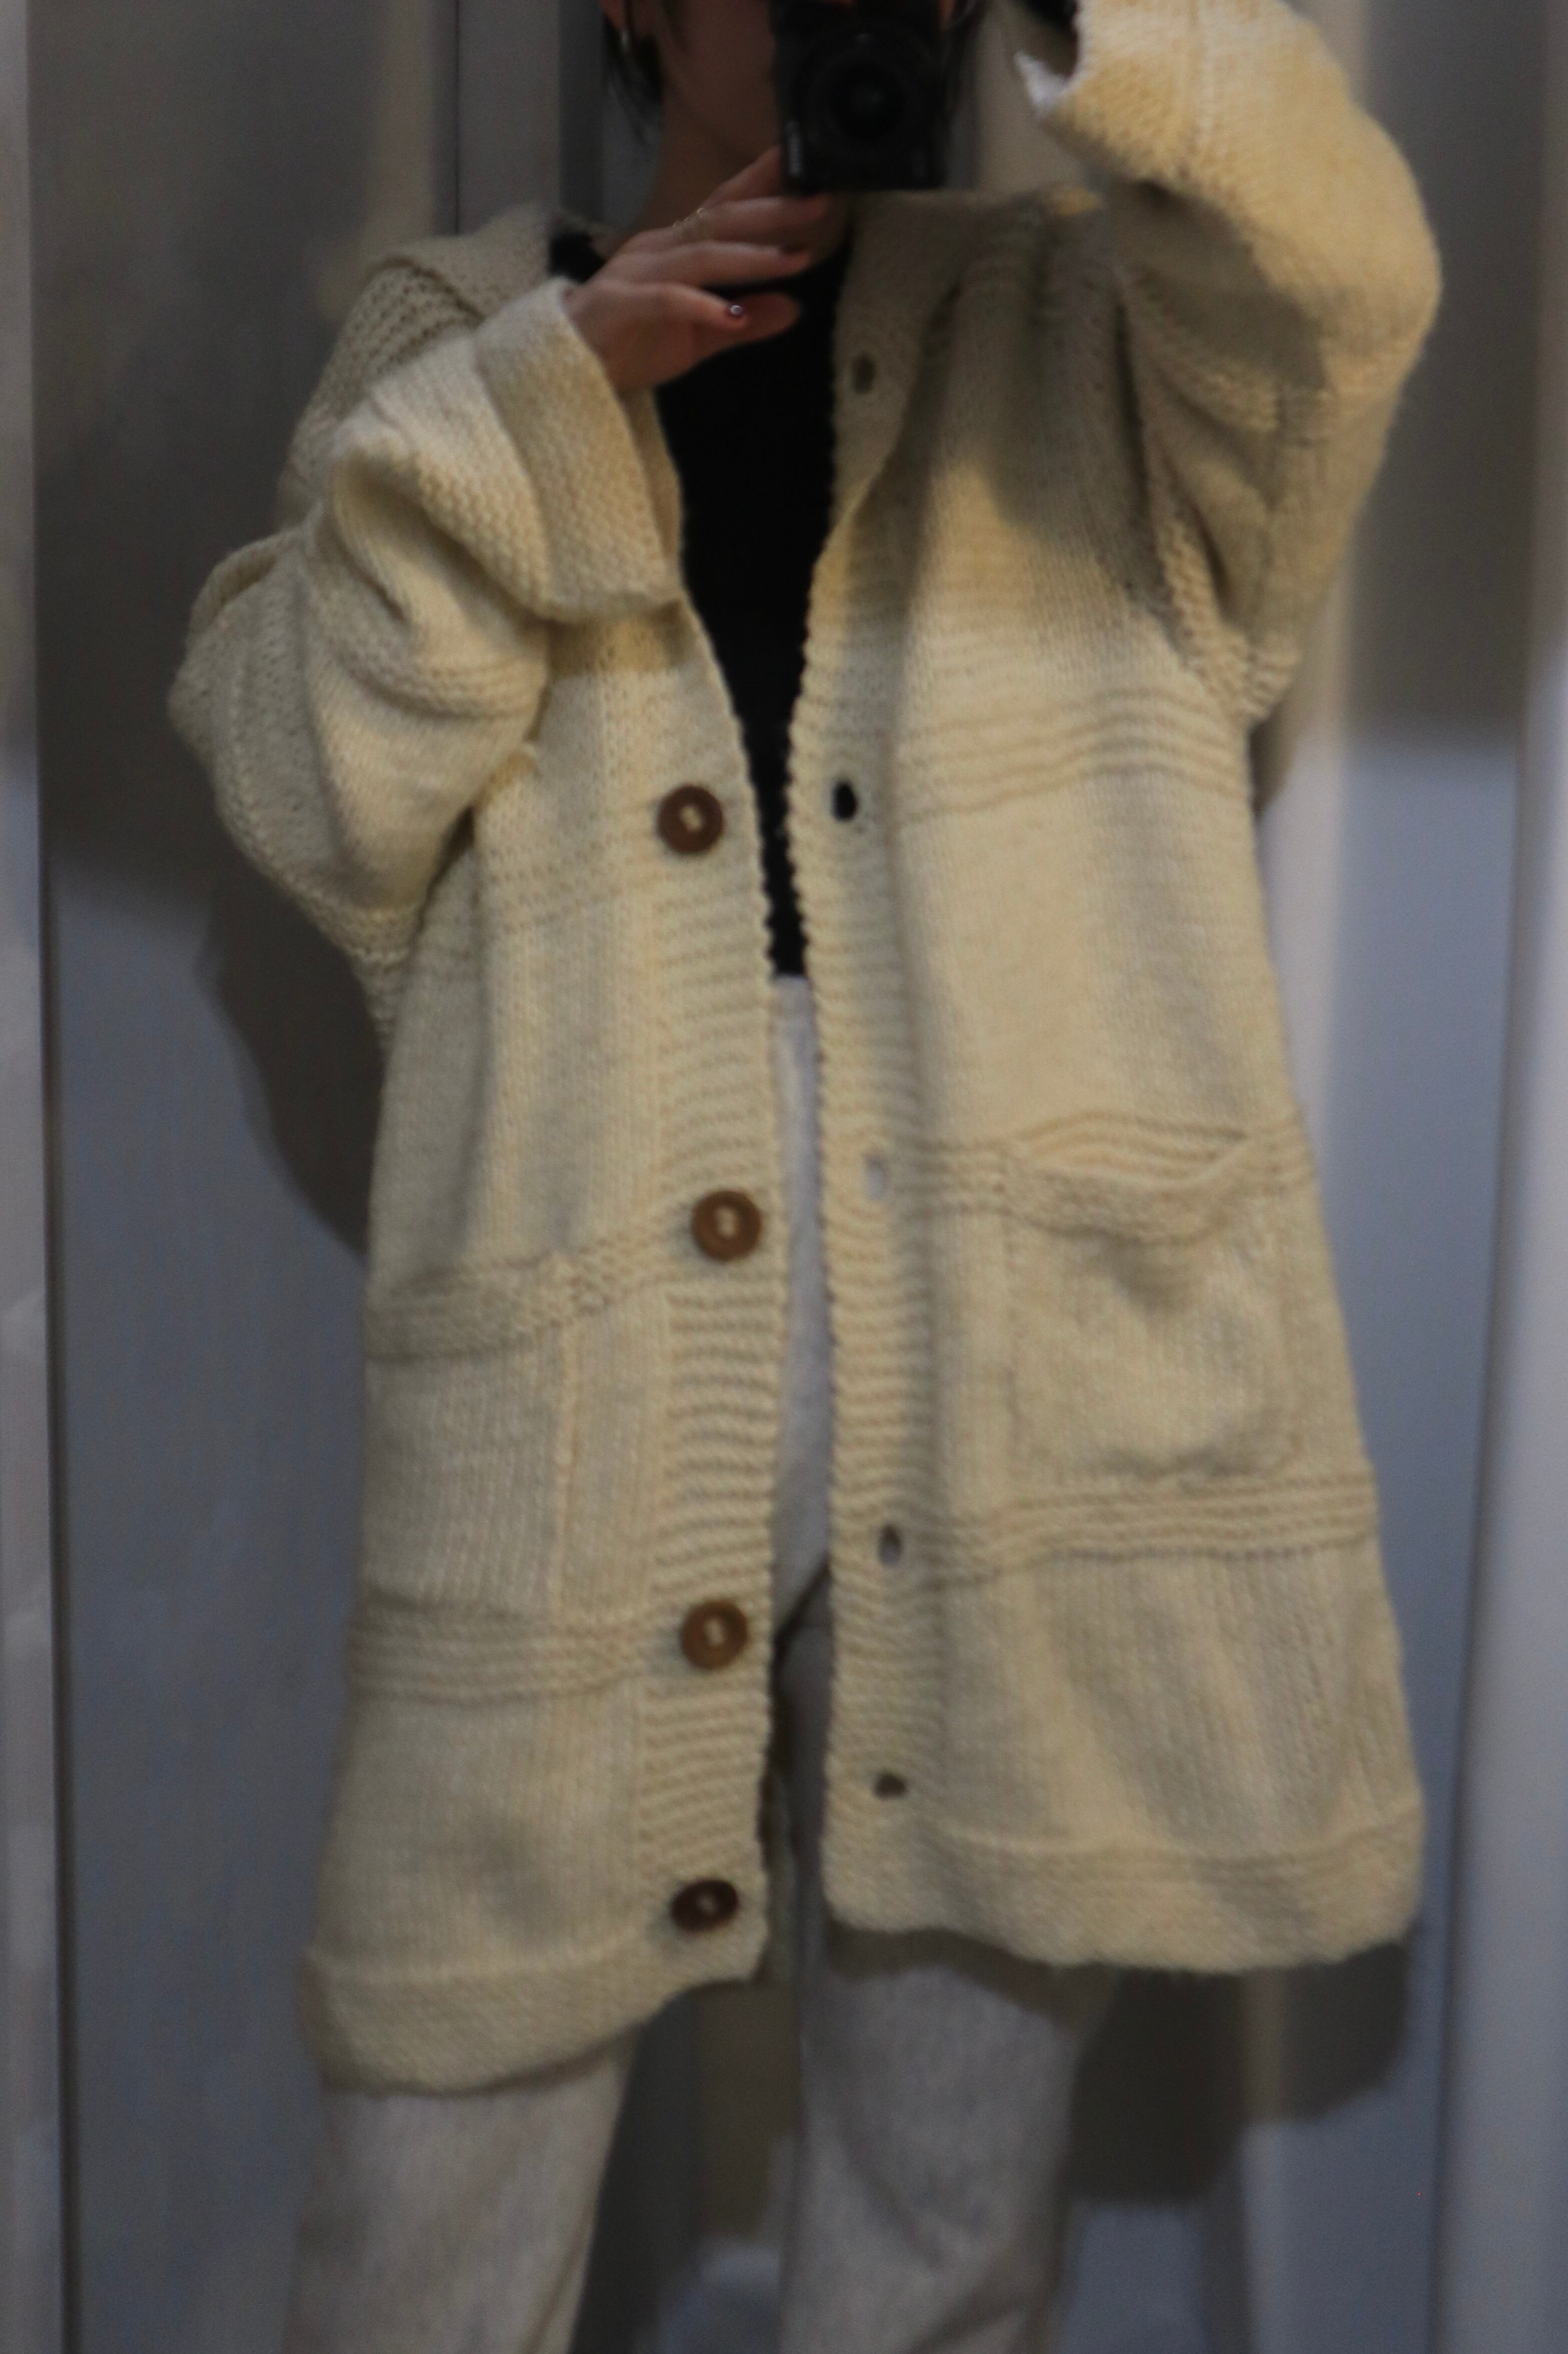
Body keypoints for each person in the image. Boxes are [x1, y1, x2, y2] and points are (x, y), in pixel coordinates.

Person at [168, 0, 1443, 2342]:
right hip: (578, 1335)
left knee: (950, 2195)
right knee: (441, 2153)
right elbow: (297, 777)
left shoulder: (1094, 332)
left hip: (1016, 1333)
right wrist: (544, 412)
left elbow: (1350, 268)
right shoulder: (458, 338)